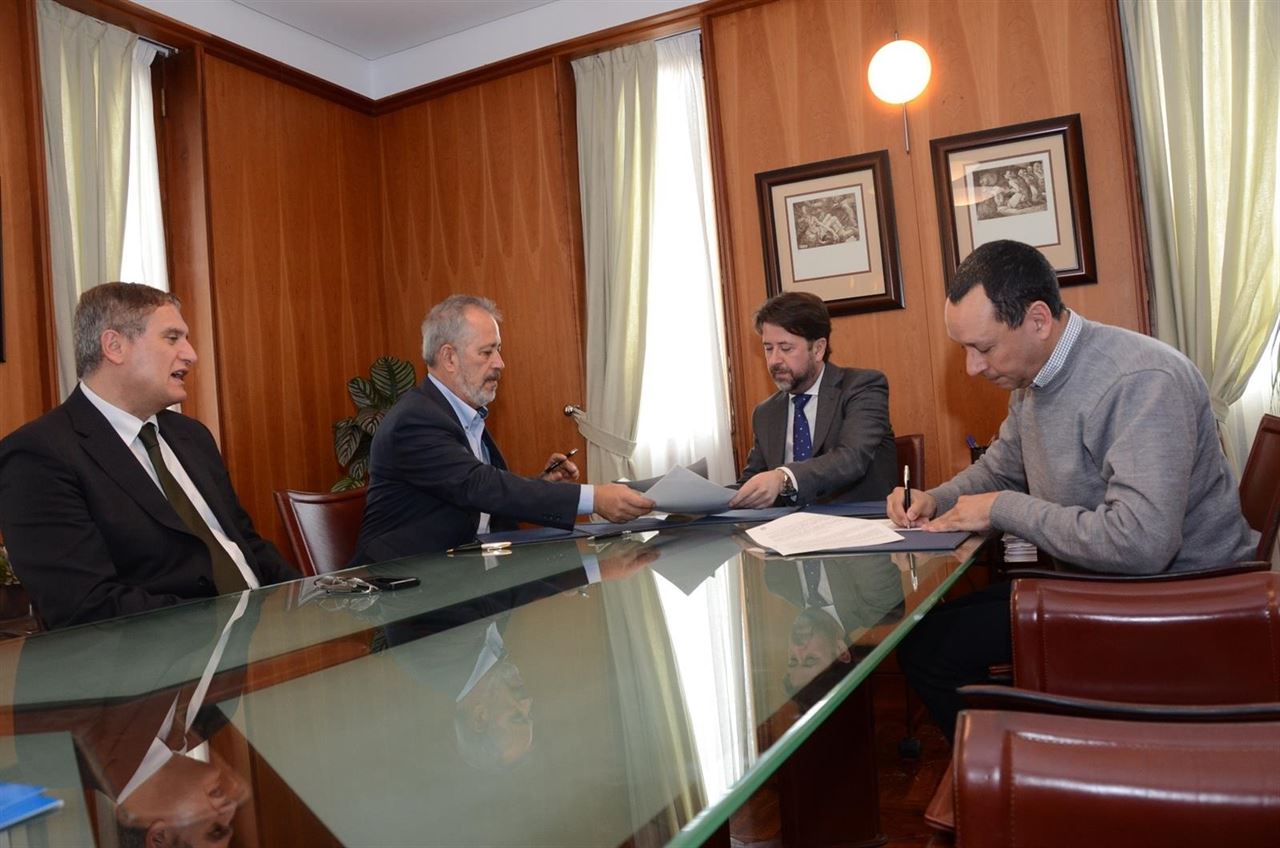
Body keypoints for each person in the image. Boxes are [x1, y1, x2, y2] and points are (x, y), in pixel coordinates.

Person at [886, 239, 1257, 740]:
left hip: (1174, 601)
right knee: (924, 633)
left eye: (984, 348)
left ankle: (1035, 765)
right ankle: (1029, 759)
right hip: (1104, 582)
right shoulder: (1033, 378)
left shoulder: (1140, 380)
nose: (972, 367)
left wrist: (1002, 509)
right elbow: (1001, 469)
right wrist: (937, 498)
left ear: (1038, 320)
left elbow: (1141, 544)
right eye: (965, 350)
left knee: (933, 651)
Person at [0, 283, 298, 629]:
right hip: (164, 654)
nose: (191, 354)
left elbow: (245, 545)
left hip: (260, 637)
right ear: (114, 346)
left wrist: (308, 595)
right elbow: (85, 605)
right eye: (172, 338)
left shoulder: (192, 436)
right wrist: (224, 622)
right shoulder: (37, 455)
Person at [352, 295, 653, 562]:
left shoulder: (463, 414)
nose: (500, 363)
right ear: (449, 358)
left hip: (468, 571)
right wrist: (594, 498)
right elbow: (479, 486)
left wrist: (543, 483)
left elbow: (482, 498)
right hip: (405, 585)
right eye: (487, 352)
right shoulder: (414, 420)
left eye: (498, 350)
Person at [729, 291, 897, 509]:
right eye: (768, 348)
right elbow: (751, 482)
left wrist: (784, 478)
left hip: (856, 521)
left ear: (818, 349)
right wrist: (703, 500)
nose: (774, 360)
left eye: (786, 348)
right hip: (788, 526)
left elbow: (851, 459)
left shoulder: (862, 387)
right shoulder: (765, 413)